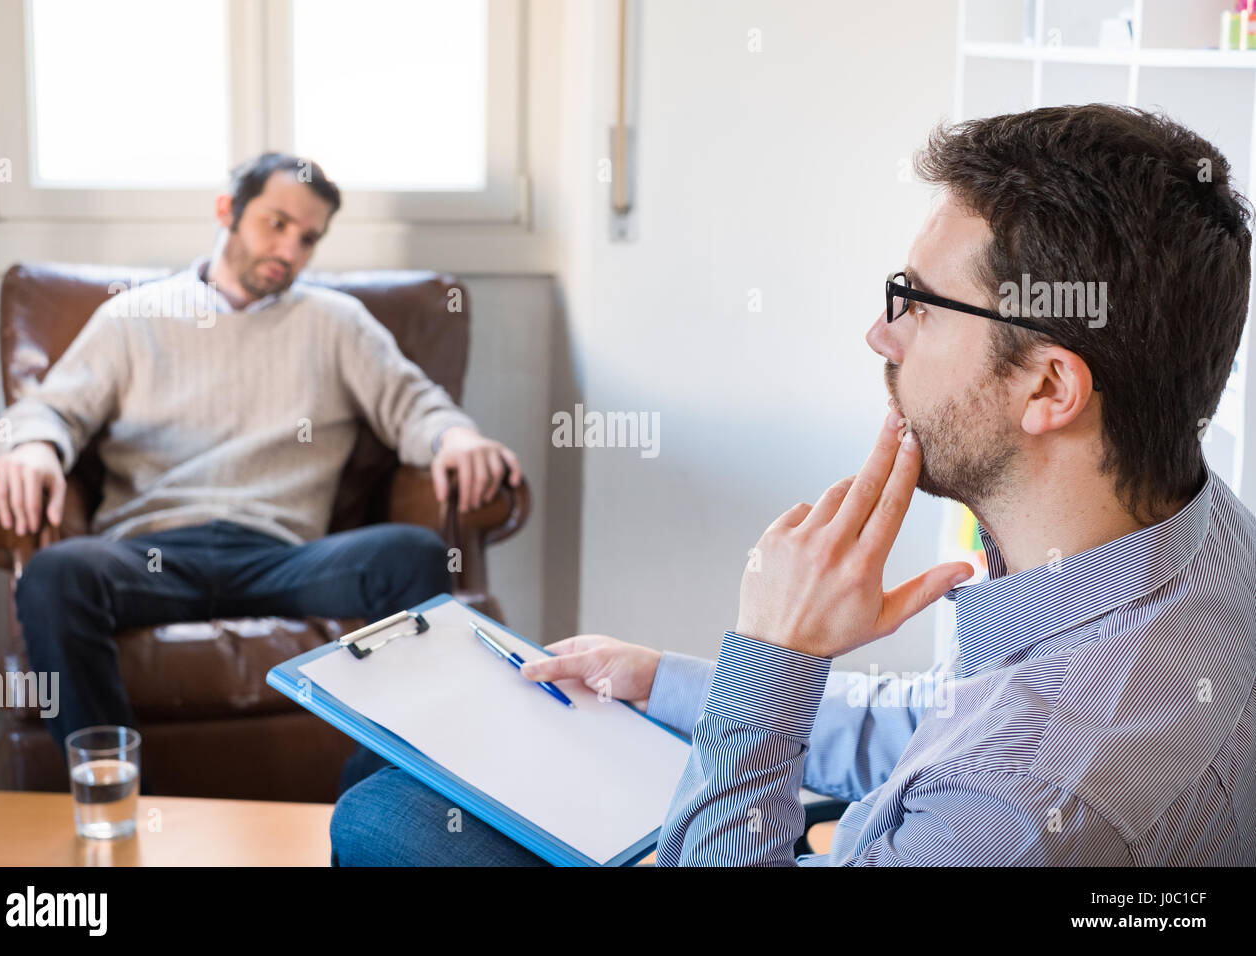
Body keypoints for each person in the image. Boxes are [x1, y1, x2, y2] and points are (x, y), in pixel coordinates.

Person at [328, 104, 1256, 866]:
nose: (882, 335)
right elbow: (956, 728)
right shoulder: (1195, 529)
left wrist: (772, 654)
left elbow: (1002, 777)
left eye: (920, 305)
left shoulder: (1031, 809)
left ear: (1049, 387)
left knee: (385, 821)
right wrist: (677, 686)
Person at [0, 152, 522, 795]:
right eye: (276, 223)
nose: (289, 248)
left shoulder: (335, 323)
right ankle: (115, 791)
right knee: (53, 576)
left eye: (308, 237)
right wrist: (33, 447)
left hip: (284, 559)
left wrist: (456, 435)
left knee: (413, 556)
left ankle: (367, 799)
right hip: (152, 558)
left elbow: (415, 405)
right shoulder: (134, 317)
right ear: (227, 212)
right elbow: (44, 410)